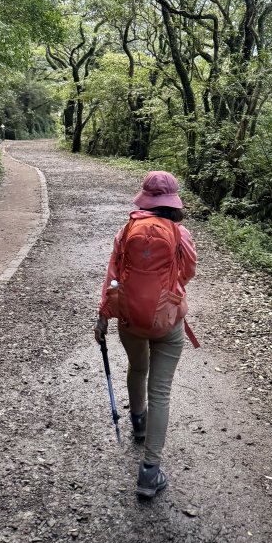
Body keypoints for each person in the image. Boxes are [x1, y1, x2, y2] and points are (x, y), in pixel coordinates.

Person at [95, 171, 197, 498]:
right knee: (161, 391)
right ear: (173, 202)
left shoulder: (126, 232)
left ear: (145, 197)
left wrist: (103, 317)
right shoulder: (180, 234)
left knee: (137, 368)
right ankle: (150, 472)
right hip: (167, 322)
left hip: (130, 320)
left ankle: (138, 422)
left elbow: (113, 276)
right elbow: (189, 272)